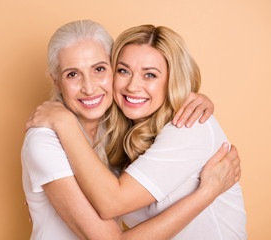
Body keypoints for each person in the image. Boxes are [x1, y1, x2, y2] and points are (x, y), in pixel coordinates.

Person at [23, 20, 241, 240]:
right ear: (57, 82)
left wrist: (64, 122)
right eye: (124, 71)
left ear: (171, 79)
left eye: (150, 75)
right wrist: (207, 193)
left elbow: (111, 204)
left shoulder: (189, 125)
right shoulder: (119, 135)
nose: (133, 86)